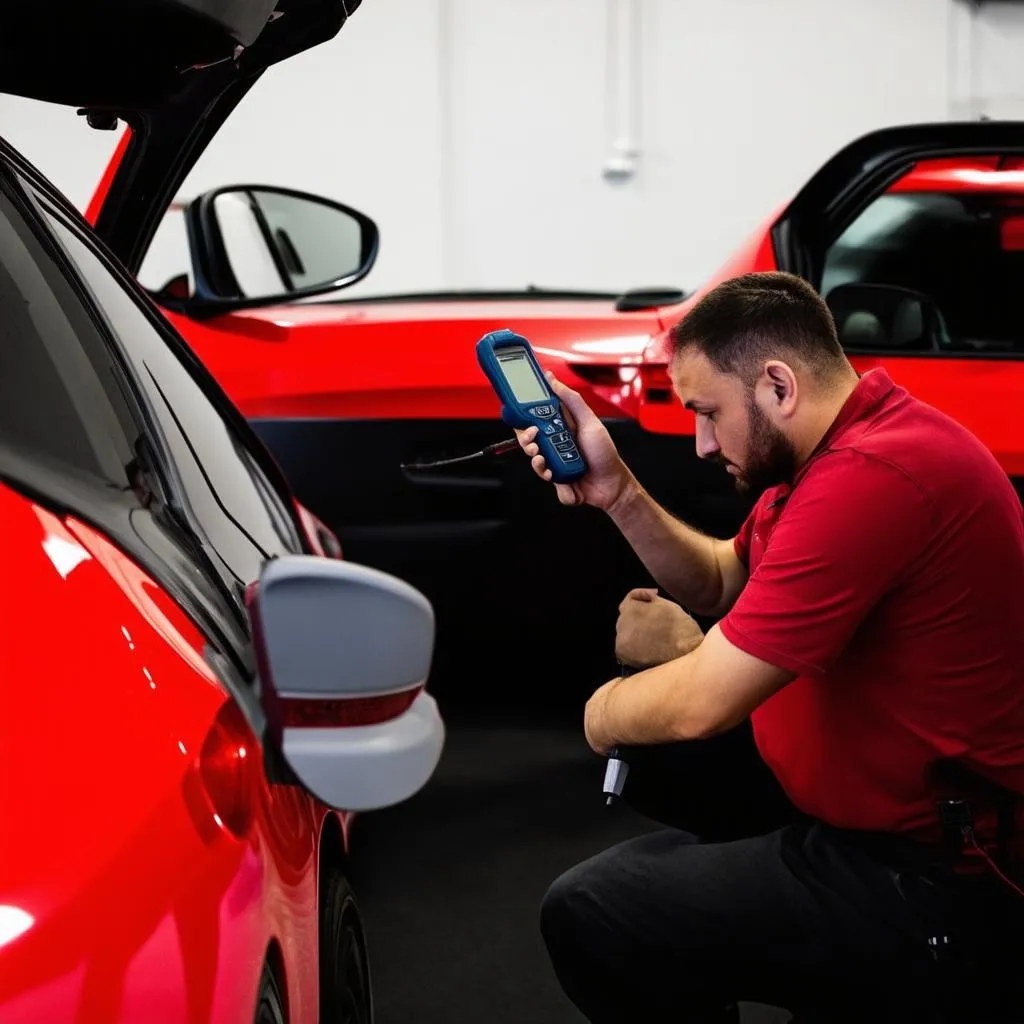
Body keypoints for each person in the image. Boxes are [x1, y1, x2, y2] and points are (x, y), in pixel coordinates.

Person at [516, 272, 1024, 1023]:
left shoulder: (874, 476)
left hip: (936, 878)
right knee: (658, 761)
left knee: (596, 908)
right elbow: (727, 580)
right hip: (862, 811)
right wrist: (617, 492)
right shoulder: (841, 448)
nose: (700, 442)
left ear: (778, 385)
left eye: (709, 413)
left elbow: (701, 703)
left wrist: (601, 710)